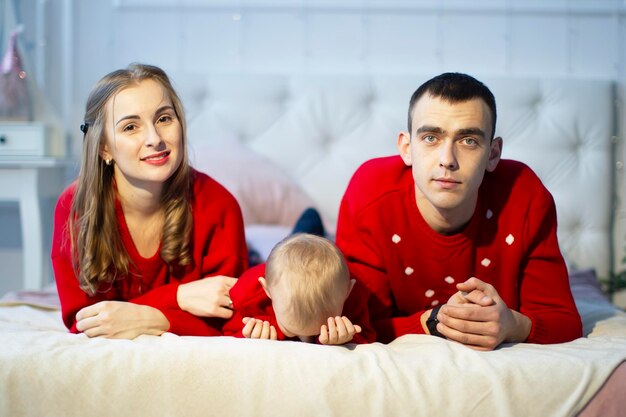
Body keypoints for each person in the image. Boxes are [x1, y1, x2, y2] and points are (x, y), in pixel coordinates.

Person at [335, 72, 582, 350]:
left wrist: (513, 325)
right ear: (406, 148)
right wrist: (432, 321)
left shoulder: (526, 197)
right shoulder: (370, 193)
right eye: (430, 137)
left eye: (469, 141)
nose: (447, 160)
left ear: (492, 154)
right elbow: (355, 324)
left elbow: (564, 321)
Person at [51, 63, 248, 339]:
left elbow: (231, 321)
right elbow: (85, 320)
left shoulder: (220, 205)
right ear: (104, 147)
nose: (155, 139)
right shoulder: (75, 205)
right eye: (131, 127)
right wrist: (178, 298)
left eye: (164, 119)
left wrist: (150, 316)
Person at [223, 233, 375, 345]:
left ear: (347, 292)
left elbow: (368, 334)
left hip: (325, 258)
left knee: (310, 241)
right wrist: (250, 337)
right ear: (267, 290)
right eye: (291, 329)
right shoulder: (249, 297)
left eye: (315, 333)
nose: (305, 341)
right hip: (261, 265)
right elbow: (226, 334)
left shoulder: (354, 296)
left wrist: (346, 339)